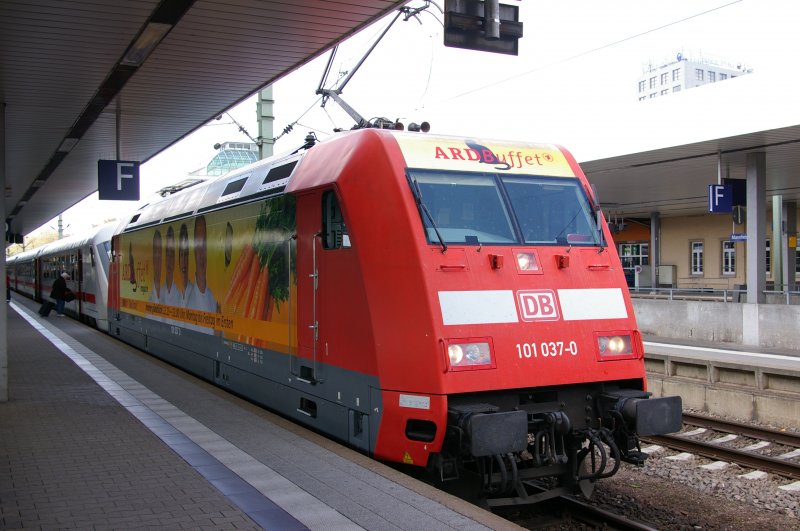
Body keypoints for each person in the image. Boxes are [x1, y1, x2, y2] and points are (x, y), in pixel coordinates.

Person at [187, 216, 218, 314]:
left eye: (204, 244)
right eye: (198, 245)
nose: (201, 254)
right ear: (194, 252)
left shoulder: (213, 298)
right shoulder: (188, 302)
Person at [150, 230, 164, 303]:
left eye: (160, 254)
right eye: (156, 254)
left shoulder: (166, 290)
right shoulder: (149, 295)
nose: (158, 260)